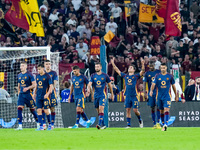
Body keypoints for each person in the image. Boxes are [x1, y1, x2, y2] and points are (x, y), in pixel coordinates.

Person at [111, 57, 145, 128]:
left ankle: (140, 120)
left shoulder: (136, 76)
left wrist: (142, 64)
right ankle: (128, 125)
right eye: (129, 67)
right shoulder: (125, 76)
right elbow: (117, 70)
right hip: (127, 96)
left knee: (135, 110)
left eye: (131, 67)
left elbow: (142, 71)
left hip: (134, 96)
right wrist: (113, 64)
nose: (130, 68)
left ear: (134, 70)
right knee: (128, 110)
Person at [150, 63, 178, 131]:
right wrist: (151, 91)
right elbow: (153, 84)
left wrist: (176, 95)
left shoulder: (170, 76)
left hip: (167, 96)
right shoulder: (157, 76)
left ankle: (165, 124)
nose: (163, 69)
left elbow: (173, 86)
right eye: (162, 68)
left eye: (164, 68)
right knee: (161, 111)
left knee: (166, 109)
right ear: (160, 68)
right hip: (159, 96)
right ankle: (163, 125)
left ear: (166, 68)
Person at [86, 62, 114, 129]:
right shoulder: (93, 76)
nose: (96, 68)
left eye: (98, 67)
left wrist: (112, 94)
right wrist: (88, 90)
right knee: (98, 111)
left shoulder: (105, 76)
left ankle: (99, 124)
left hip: (102, 95)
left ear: (101, 67)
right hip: (96, 95)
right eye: (96, 67)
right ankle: (103, 124)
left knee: (101, 109)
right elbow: (89, 84)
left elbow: (110, 85)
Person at [15, 61, 39, 130]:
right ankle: (20, 126)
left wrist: (28, 88)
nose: (21, 67)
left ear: (26, 66)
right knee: (19, 108)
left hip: (28, 95)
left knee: (32, 110)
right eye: (20, 66)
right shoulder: (19, 75)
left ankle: (38, 123)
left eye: (22, 66)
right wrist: (19, 93)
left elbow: (34, 85)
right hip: (22, 95)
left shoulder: (29, 74)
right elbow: (19, 85)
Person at [33, 64, 53, 131]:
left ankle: (50, 125)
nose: (38, 71)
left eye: (39, 69)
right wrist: (34, 93)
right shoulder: (37, 76)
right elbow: (36, 85)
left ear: (43, 69)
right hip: (38, 96)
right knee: (39, 110)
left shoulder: (47, 76)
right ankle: (41, 126)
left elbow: (51, 86)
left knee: (46, 110)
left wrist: (47, 94)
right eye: (38, 69)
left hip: (45, 96)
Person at [143, 61, 161, 129]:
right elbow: (144, 83)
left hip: (158, 91)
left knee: (158, 107)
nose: (151, 67)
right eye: (150, 65)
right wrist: (144, 92)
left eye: (152, 65)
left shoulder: (158, 72)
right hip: (151, 92)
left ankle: (158, 123)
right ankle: (154, 123)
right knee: (152, 107)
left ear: (154, 65)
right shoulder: (147, 73)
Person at [44, 60, 58, 130]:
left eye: (49, 64)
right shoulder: (42, 73)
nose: (48, 65)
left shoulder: (54, 73)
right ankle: (45, 124)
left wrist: (51, 89)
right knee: (44, 108)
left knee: (52, 108)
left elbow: (55, 82)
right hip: (44, 93)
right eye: (46, 64)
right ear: (44, 65)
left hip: (52, 93)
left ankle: (52, 124)